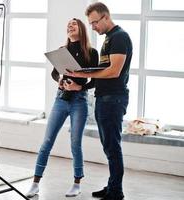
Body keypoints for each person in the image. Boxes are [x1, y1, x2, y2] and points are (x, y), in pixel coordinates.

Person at [25, 18, 99, 198]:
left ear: (81, 29)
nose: (70, 26)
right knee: (47, 142)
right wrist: (60, 81)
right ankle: (35, 183)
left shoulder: (91, 52)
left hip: (79, 101)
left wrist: (79, 87)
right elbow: (54, 73)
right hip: (61, 99)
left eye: (74, 24)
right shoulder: (62, 51)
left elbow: (95, 81)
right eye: (68, 25)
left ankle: (76, 183)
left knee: (75, 143)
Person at [67, 2, 132, 200]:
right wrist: (82, 82)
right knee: (109, 147)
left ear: (105, 17)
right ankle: (112, 186)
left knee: (113, 147)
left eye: (95, 22)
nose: (93, 27)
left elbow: (114, 71)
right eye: (90, 23)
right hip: (104, 99)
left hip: (113, 100)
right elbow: (102, 72)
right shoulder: (109, 38)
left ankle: (116, 192)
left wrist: (83, 72)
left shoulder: (119, 37)